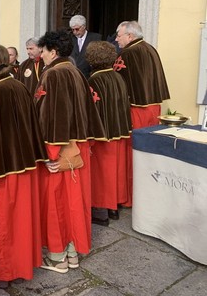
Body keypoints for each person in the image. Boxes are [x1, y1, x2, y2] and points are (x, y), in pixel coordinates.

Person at [0, 44, 48, 288]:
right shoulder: (18, 85)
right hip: (24, 163)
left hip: (0, 169)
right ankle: (19, 265)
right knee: (19, 221)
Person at [35, 30, 105, 274]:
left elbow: (50, 116)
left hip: (61, 147)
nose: (41, 56)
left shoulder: (53, 74)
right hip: (79, 147)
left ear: (53, 52)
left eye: (42, 51)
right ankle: (72, 254)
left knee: (57, 204)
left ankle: (57, 257)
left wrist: (48, 153)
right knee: (74, 203)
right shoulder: (76, 71)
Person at [85, 41, 132, 226]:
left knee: (102, 174)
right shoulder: (117, 76)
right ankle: (114, 207)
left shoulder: (94, 79)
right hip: (118, 129)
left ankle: (101, 210)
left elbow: (92, 109)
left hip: (102, 134)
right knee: (115, 170)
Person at [115, 20, 170, 129]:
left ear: (129, 36)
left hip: (136, 109)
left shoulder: (127, 53)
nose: (116, 39)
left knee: (136, 142)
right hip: (154, 107)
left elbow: (117, 80)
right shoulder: (151, 48)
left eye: (119, 36)